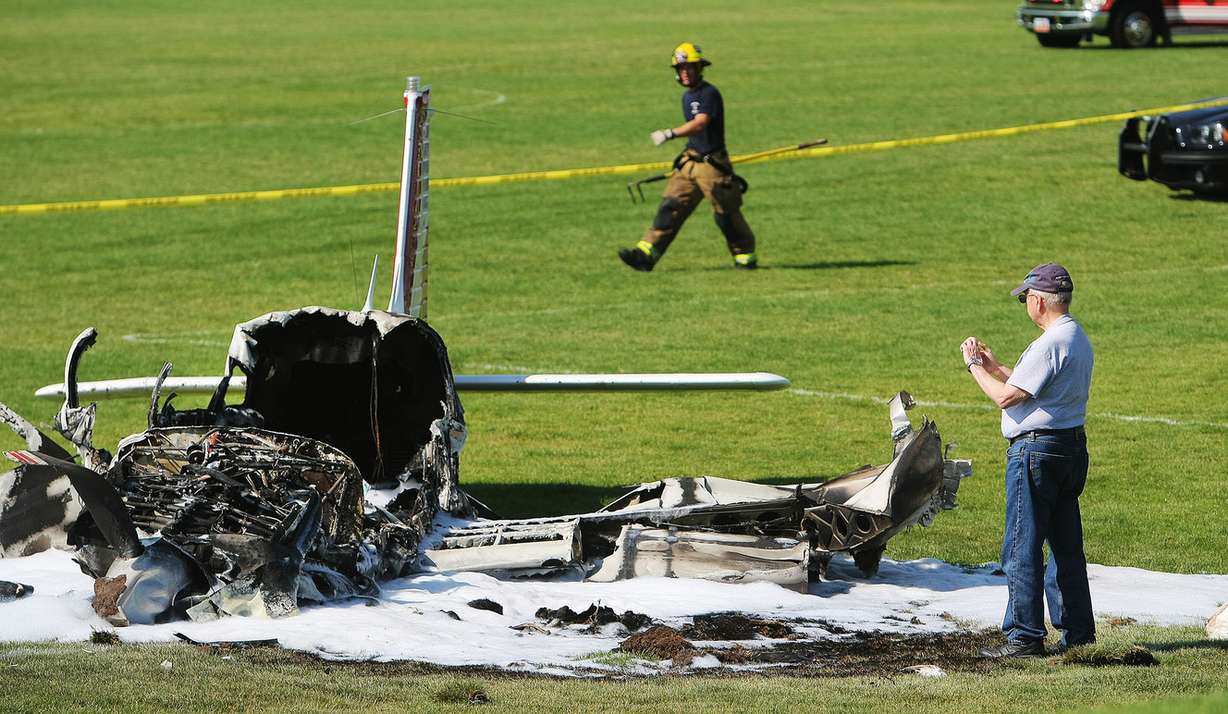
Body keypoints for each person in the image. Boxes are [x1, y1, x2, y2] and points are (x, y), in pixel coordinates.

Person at [959, 262, 1095, 658]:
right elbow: (1029, 380)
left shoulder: (1051, 342)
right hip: (1069, 449)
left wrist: (972, 366)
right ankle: (1079, 634)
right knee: (1067, 547)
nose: (1025, 304)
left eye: (1025, 298)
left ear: (1037, 301)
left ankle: (1024, 636)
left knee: (1022, 545)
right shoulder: (1076, 336)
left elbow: (1008, 396)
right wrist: (993, 364)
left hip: (1036, 452)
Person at [618, 42, 757, 272]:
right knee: (669, 208)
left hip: (712, 165)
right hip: (690, 162)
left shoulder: (709, 93)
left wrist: (670, 133)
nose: (685, 72)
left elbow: (701, 123)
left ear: (699, 68)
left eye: (690, 68)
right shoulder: (687, 96)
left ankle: (745, 257)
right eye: (681, 68)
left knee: (726, 217)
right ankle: (645, 255)